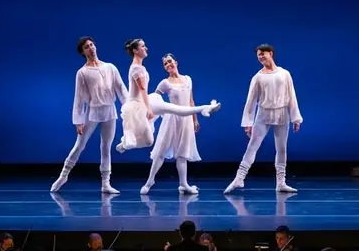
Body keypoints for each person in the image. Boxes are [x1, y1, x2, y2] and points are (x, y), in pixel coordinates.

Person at [51, 36, 129, 195]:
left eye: (92, 45)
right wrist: (78, 120)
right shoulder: (82, 72)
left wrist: (129, 108)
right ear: (83, 52)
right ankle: (63, 175)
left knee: (106, 147)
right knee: (80, 145)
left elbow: (121, 89)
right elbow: (79, 97)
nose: (91, 48)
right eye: (87, 47)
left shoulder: (110, 67)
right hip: (93, 111)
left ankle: (106, 183)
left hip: (109, 110)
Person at [117, 38, 221, 154]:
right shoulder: (136, 68)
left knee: (150, 140)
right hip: (138, 105)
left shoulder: (141, 67)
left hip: (146, 101)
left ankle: (205, 108)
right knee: (173, 110)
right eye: (143, 46)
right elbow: (141, 89)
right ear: (135, 51)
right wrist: (148, 108)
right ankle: (125, 142)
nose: (146, 48)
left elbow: (144, 91)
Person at [224, 44, 302, 194]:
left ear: (271, 53)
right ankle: (239, 178)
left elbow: (292, 96)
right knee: (253, 145)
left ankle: (281, 182)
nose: (260, 57)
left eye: (263, 54)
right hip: (263, 114)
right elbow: (251, 100)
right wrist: (248, 122)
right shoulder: (258, 77)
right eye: (258, 55)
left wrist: (295, 117)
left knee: (281, 148)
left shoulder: (285, 74)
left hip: (281, 113)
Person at [140, 53, 208, 194]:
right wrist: (151, 111)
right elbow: (154, 99)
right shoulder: (165, 83)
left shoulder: (188, 79)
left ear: (176, 62)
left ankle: (183, 184)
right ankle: (149, 181)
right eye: (165, 64)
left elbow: (191, 101)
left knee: (182, 153)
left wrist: (195, 119)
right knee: (160, 151)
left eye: (170, 61)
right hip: (171, 119)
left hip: (186, 119)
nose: (168, 64)